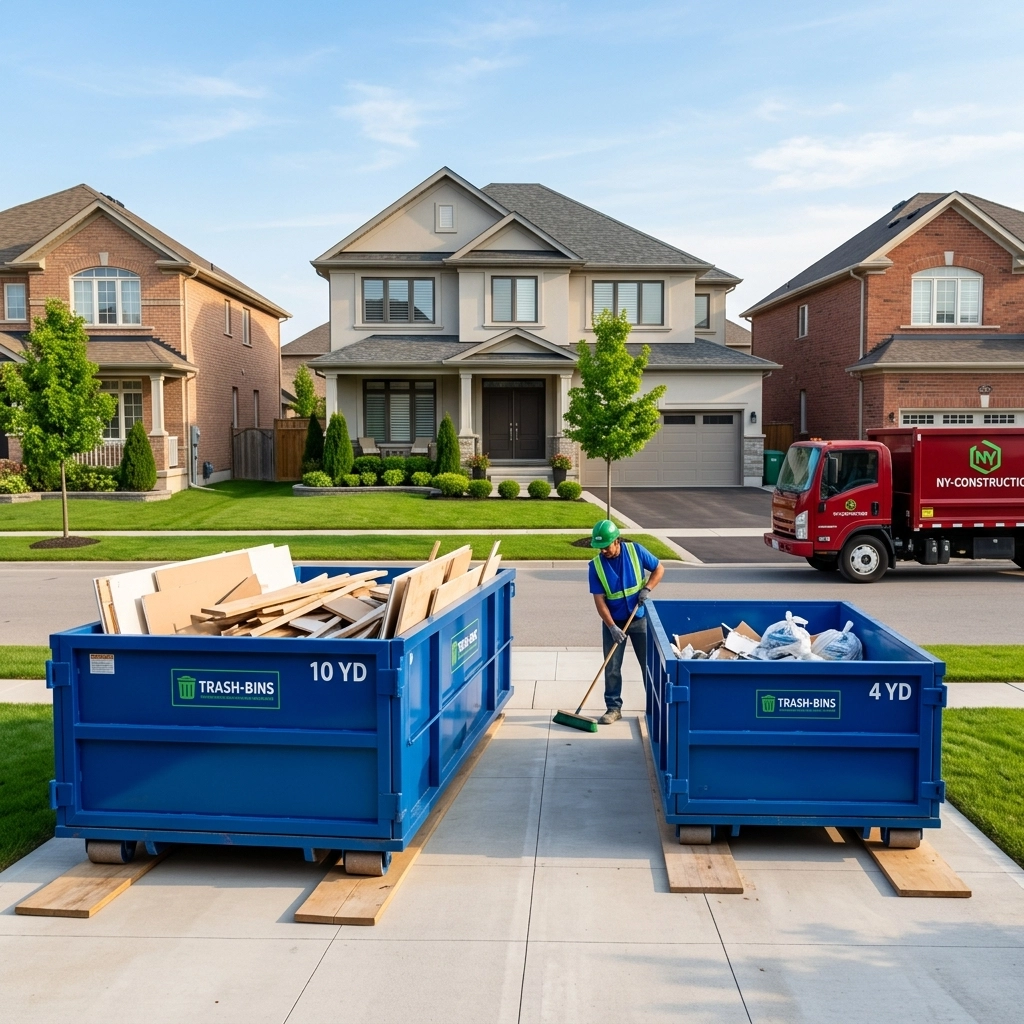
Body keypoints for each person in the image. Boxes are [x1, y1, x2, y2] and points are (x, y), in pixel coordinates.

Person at [588, 519, 664, 724]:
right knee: (612, 666)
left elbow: (659, 568)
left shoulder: (635, 551)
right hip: (614, 622)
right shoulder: (596, 566)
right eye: (600, 548)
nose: (603, 551)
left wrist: (647, 588)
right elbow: (599, 601)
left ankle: (656, 707)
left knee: (649, 666)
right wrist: (612, 627)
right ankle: (613, 708)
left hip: (639, 618)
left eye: (606, 546)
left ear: (617, 541)